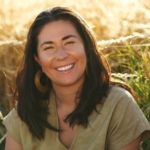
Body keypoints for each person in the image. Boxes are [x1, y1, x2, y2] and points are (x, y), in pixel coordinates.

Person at [3, 7, 150, 150]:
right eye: (49, 47)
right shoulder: (24, 112)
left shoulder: (118, 104)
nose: (61, 55)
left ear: (86, 47)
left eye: (69, 43)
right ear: (38, 60)